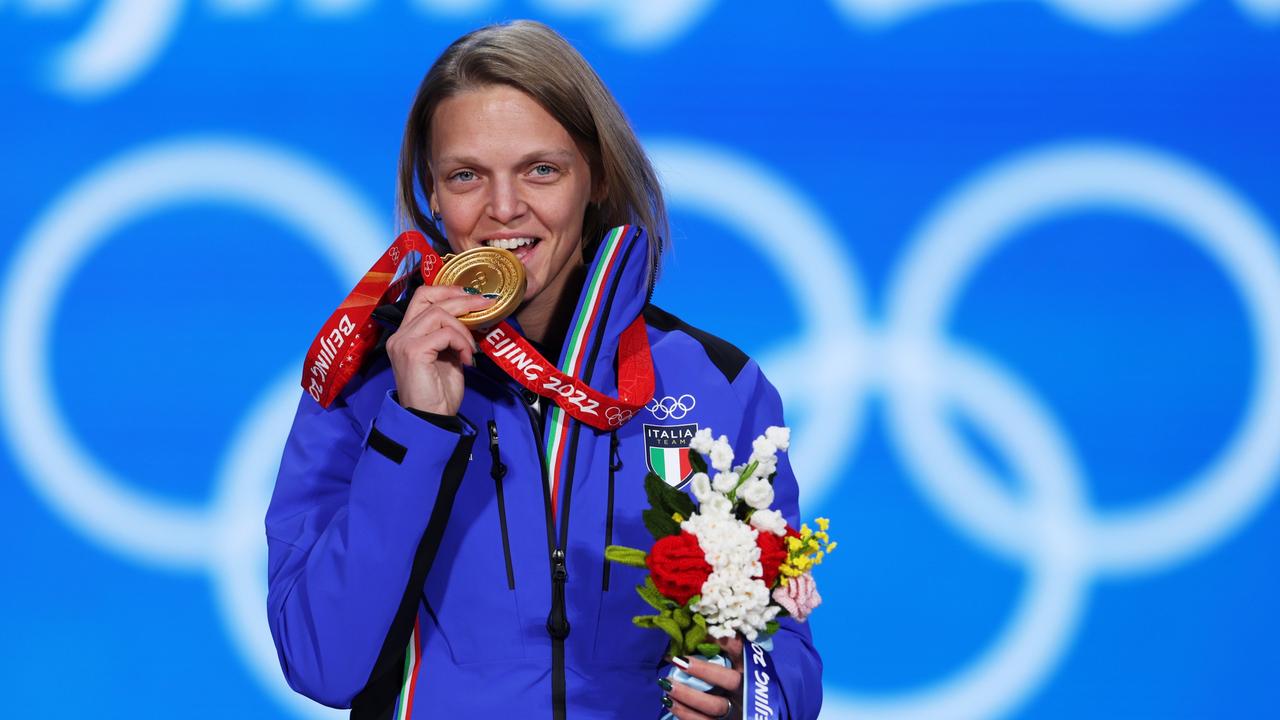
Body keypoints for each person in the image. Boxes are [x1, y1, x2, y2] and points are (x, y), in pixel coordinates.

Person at [266, 19, 822, 720]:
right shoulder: (362, 384)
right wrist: (413, 428)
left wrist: (751, 699)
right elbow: (320, 661)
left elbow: (784, 652)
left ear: (596, 175)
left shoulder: (714, 385)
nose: (504, 209)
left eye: (541, 170)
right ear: (431, 193)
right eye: (466, 175)